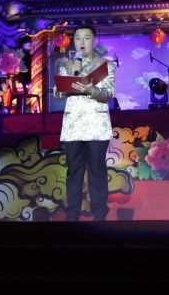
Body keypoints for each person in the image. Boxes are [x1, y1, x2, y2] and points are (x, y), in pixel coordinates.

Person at [53, 24, 115, 221]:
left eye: (86, 37)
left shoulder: (105, 65)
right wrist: (71, 76)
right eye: (78, 38)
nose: (81, 42)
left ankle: (99, 217)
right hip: (73, 127)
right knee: (74, 173)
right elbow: (57, 94)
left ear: (93, 40)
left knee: (97, 172)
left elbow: (109, 94)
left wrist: (91, 90)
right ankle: (72, 216)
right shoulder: (67, 65)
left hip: (96, 126)